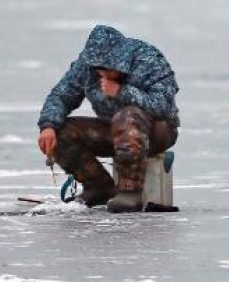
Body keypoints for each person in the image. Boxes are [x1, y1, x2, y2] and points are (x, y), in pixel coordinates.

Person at [36, 26, 180, 213]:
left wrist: (121, 92)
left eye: (107, 69)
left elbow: (162, 106)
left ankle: (130, 192)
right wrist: (48, 125)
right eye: (98, 69)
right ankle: (98, 187)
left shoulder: (149, 60)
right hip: (115, 129)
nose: (102, 74)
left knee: (127, 116)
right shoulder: (87, 66)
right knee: (62, 131)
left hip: (157, 131)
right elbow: (61, 96)